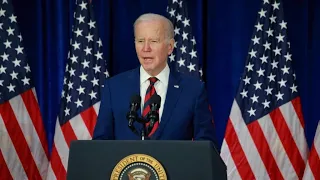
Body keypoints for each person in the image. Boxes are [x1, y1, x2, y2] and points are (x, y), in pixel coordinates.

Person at [92, 13, 218, 148]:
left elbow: (207, 147)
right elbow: (100, 143)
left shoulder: (193, 90)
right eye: (140, 41)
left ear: (170, 47)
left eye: (153, 41)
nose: (146, 48)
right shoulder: (114, 87)